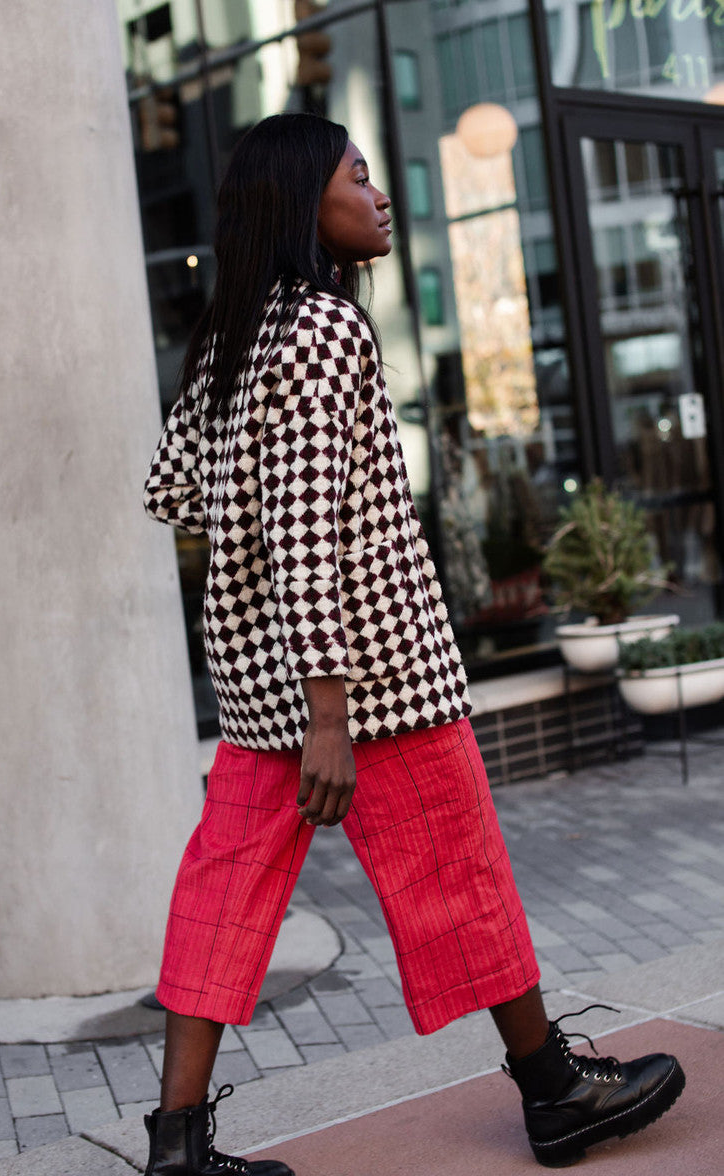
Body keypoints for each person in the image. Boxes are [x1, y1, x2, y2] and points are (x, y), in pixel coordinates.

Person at [143, 114, 684, 1174]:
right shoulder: (325, 331)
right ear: (307, 202)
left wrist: (251, 605)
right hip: (373, 685)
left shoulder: (231, 336)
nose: (378, 193)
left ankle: (175, 1150)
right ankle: (555, 1092)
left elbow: (174, 492)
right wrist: (330, 713)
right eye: (357, 175)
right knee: (461, 876)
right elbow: (307, 538)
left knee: (218, 900)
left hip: (260, 694)